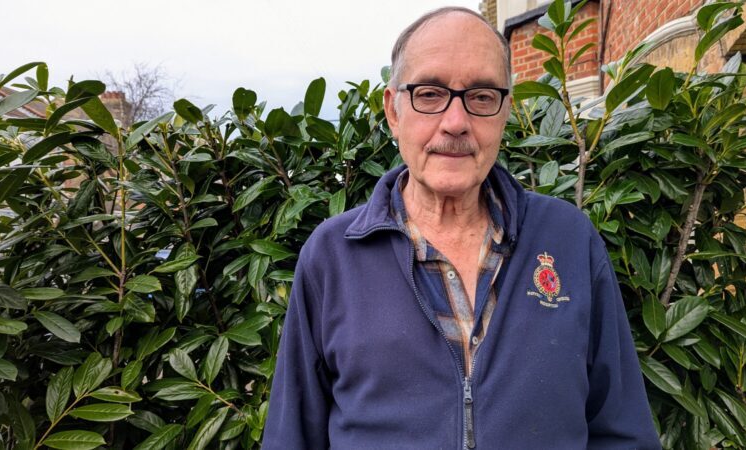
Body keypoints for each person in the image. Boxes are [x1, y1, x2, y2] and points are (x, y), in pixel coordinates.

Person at [263, 6, 660, 449]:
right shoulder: (332, 256)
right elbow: (290, 437)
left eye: (482, 96)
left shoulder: (569, 240)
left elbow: (623, 431)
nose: (455, 123)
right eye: (430, 94)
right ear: (393, 111)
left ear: (505, 111)